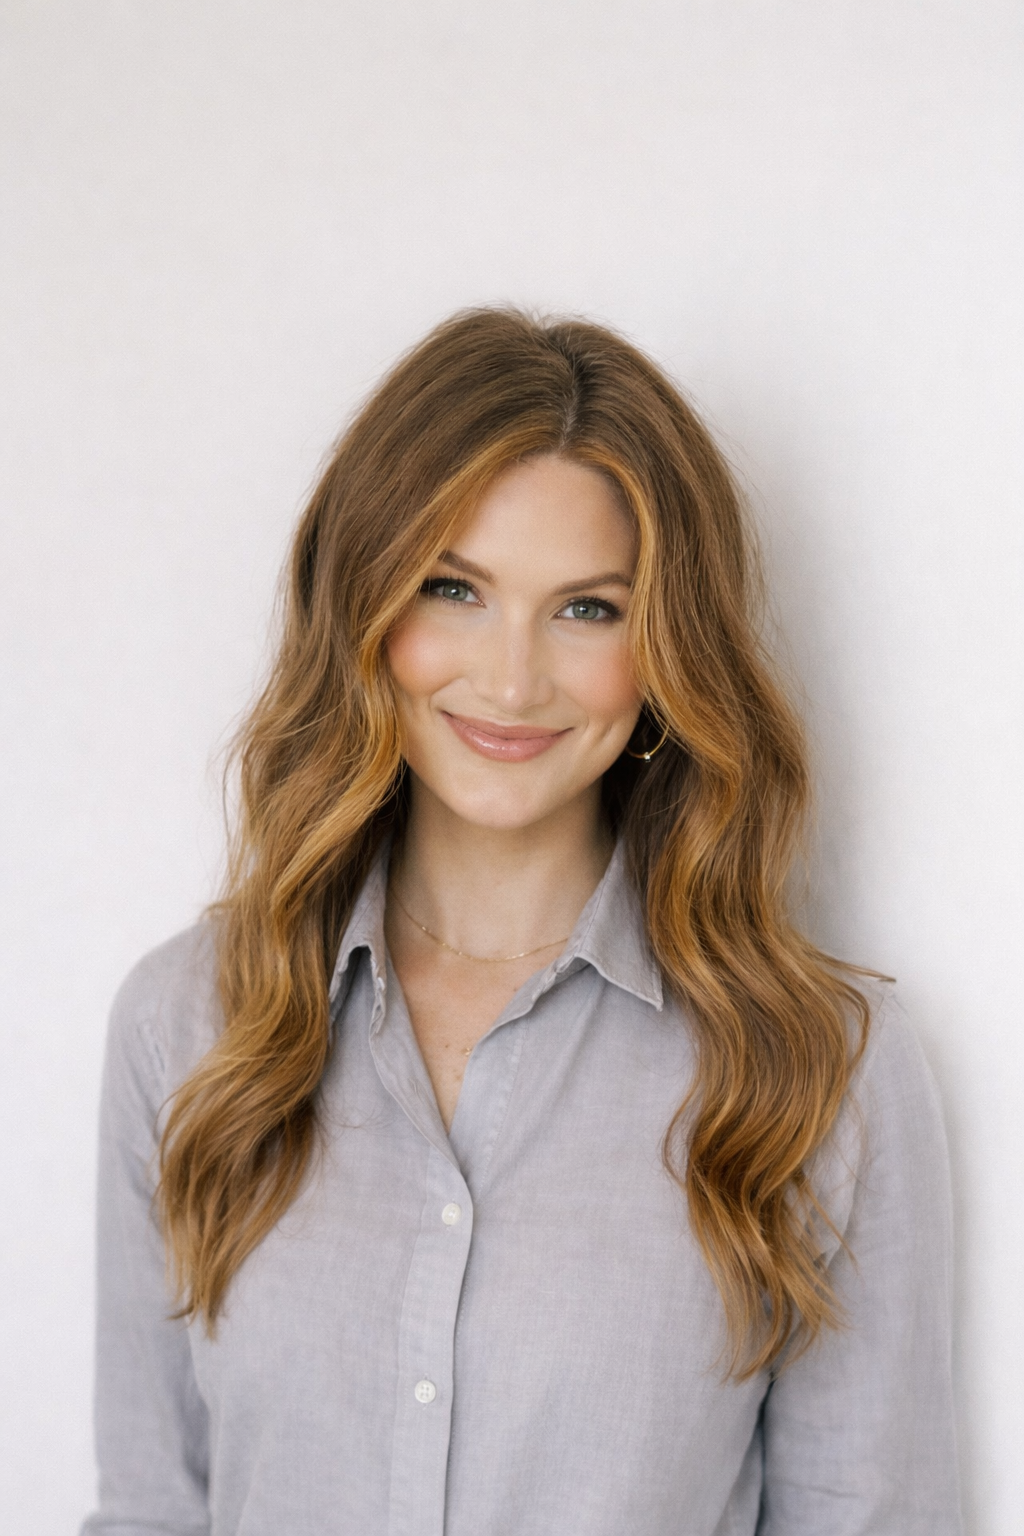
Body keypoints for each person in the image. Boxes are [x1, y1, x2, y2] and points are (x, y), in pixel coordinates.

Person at [81, 309, 962, 1536]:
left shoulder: (822, 1068)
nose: (509, 679)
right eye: (455, 589)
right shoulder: (188, 1025)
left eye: (585, 609)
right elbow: (152, 1513)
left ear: (665, 648)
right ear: (366, 614)